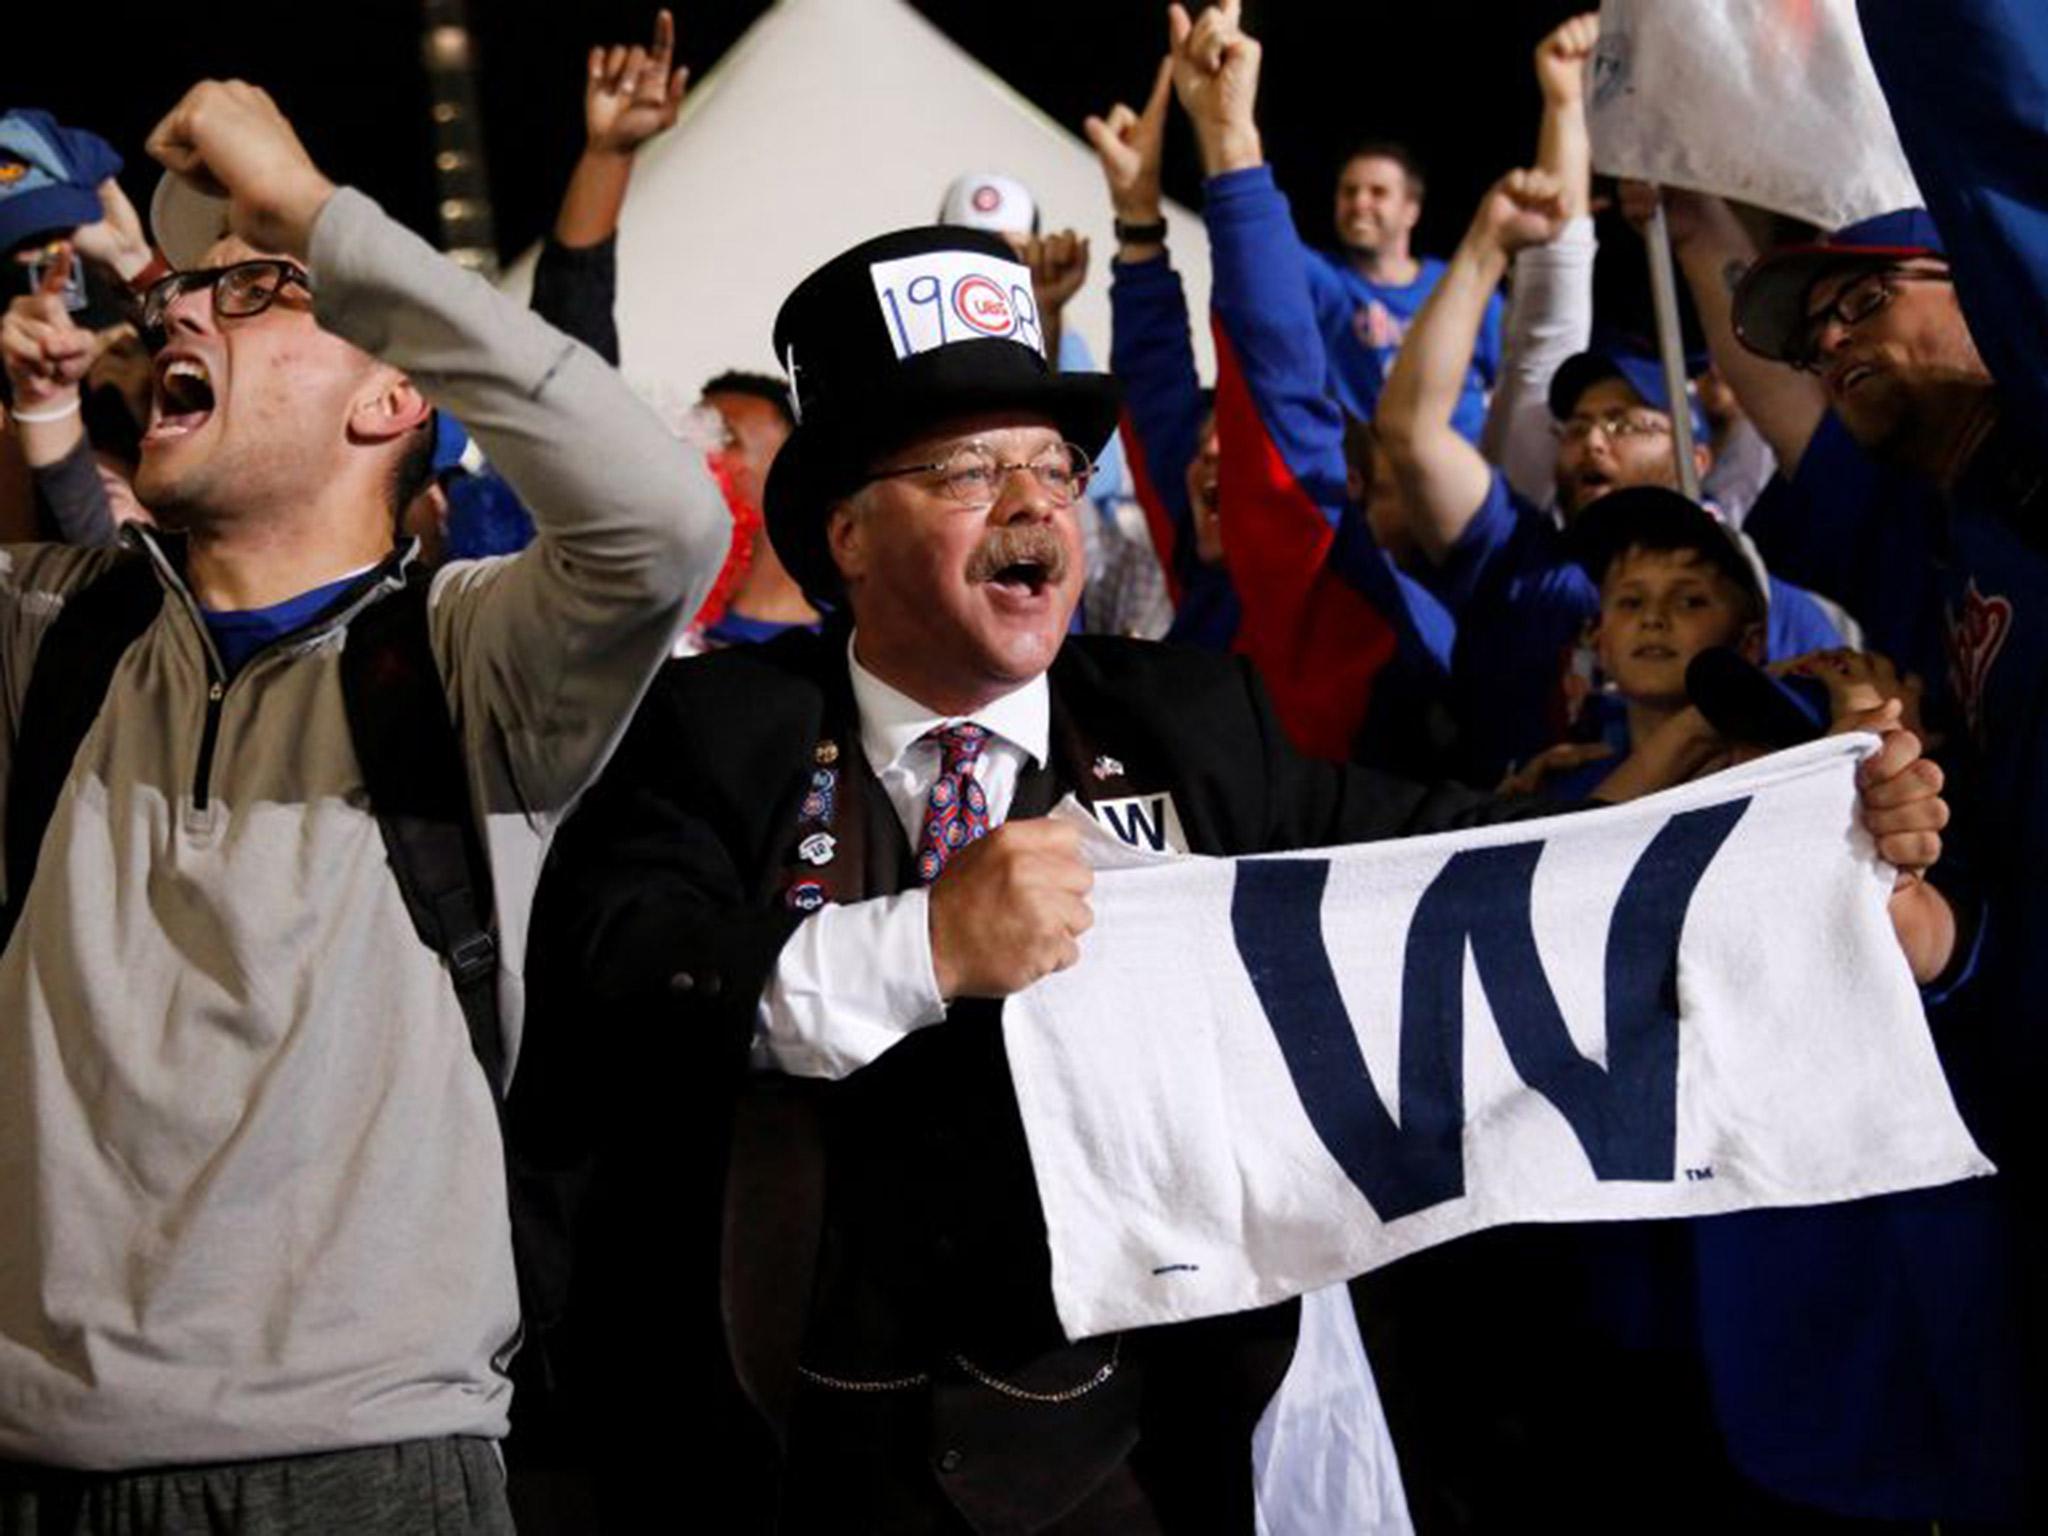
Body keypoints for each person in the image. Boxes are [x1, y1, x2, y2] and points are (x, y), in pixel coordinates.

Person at [0, 78, 728, 1530]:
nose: (178, 316)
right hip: (34, 1471)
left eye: (261, 293)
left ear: (393, 389)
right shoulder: (53, 636)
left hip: (365, 1472)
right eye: (181, 294)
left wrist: (319, 217)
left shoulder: (471, 657)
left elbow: (665, 520)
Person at [1376, 168, 1842, 785]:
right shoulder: (1520, 561)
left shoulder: (1767, 599)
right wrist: (1487, 244)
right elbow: (1410, 430)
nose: (1592, 439)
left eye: (1625, 423)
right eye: (1575, 426)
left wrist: (1698, 230)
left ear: (1696, 457)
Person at [1305, 135, 1501, 444]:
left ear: (1412, 210)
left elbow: (1512, 383)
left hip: (1461, 471)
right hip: (1367, 476)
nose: (1359, 203)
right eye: (1349, 191)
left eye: (1378, 192)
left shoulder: (1458, 288)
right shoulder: (1323, 279)